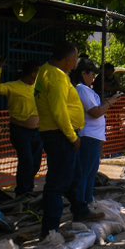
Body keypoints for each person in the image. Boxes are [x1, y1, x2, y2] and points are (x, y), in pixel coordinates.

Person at [35, 42, 103, 235]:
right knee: (57, 183)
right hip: (60, 135)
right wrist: (72, 137)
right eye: (75, 58)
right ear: (67, 59)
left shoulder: (49, 72)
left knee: (75, 175)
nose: (76, 62)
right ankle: (50, 230)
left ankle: (81, 210)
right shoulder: (55, 76)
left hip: (59, 133)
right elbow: (59, 111)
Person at [72, 59, 122, 208]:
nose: (94, 76)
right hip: (88, 136)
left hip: (95, 137)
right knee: (85, 173)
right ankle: (81, 205)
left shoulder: (88, 90)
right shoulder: (82, 89)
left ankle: (87, 201)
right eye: (92, 73)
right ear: (84, 73)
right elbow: (95, 112)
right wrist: (110, 102)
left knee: (91, 173)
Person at [0, 59, 42, 196]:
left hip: (37, 131)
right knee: (26, 161)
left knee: (36, 163)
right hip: (20, 131)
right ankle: (23, 191)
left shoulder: (38, 87)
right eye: (38, 72)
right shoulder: (13, 86)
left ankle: (28, 187)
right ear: (32, 73)